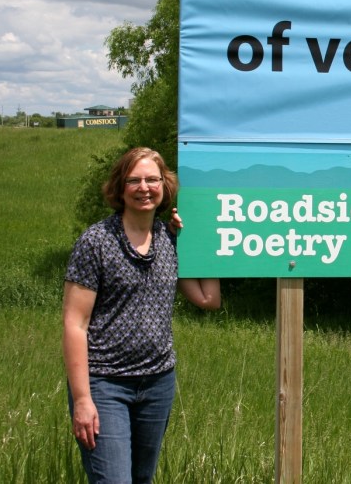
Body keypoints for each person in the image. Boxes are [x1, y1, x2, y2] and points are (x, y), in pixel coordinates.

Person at [62, 147, 220, 483]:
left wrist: (201, 238)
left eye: (152, 179)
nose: (144, 187)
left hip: (158, 383)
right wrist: (82, 400)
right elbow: (74, 324)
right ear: (120, 188)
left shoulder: (170, 240)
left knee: (141, 479)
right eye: (134, 180)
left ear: (165, 186)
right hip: (105, 384)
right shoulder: (95, 242)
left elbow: (208, 299)